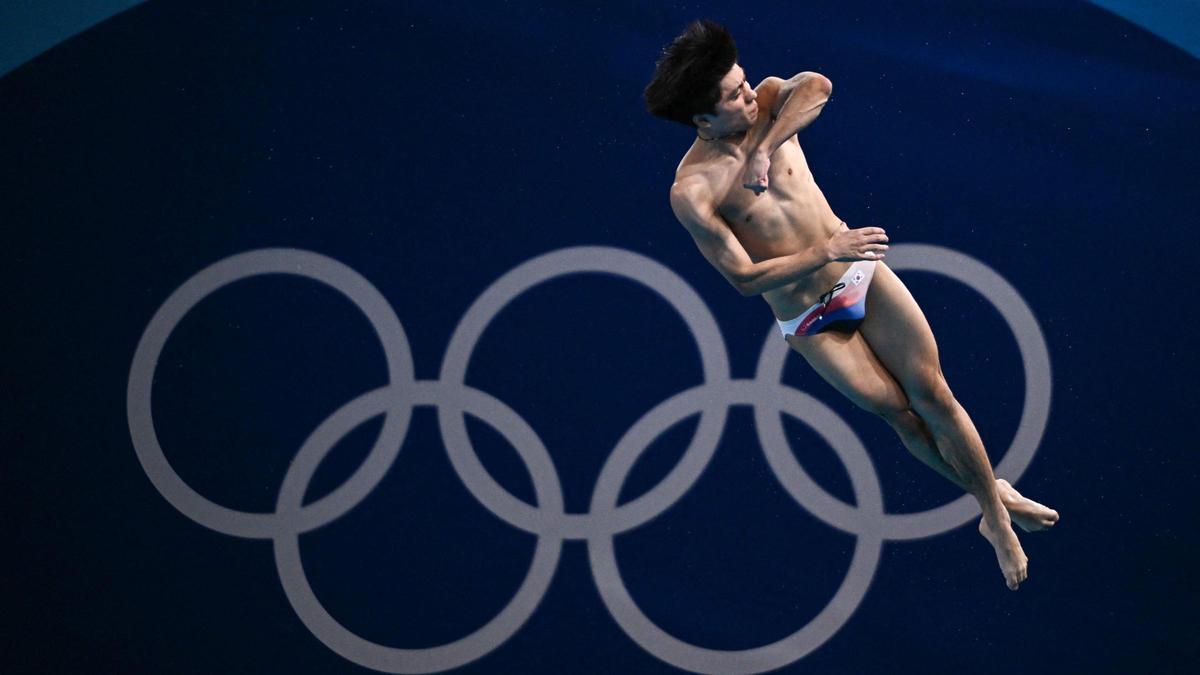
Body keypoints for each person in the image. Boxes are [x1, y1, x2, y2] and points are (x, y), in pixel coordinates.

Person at [645, 19, 1058, 590]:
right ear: (702, 120)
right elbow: (743, 279)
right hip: (810, 316)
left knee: (933, 391)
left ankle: (992, 515)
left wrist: (764, 147)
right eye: (734, 96)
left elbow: (818, 85)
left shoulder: (767, 102)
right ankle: (993, 491)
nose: (748, 94)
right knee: (901, 415)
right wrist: (823, 251)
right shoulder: (692, 191)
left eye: (743, 83)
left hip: (858, 269)